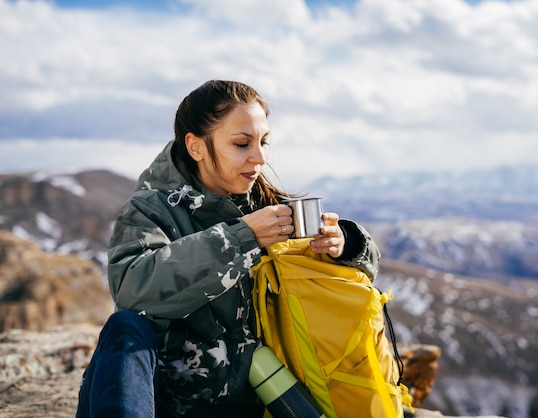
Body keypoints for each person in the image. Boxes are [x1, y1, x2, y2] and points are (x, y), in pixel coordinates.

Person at [76, 79, 381, 418]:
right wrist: (241, 237)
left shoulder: (268, 207)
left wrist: (346, 244)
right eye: (242, 143)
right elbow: (133, 289)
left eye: (264, 142)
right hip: (164, 403)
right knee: (124, 328)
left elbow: (368, 272)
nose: (260, 157)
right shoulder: (151, 210)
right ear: (196, 147)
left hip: (254, 400)